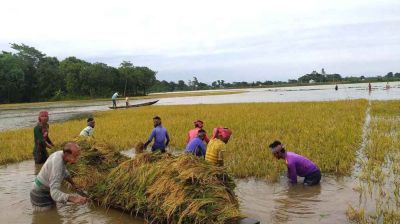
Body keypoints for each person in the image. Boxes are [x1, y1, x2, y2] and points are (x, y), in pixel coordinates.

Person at [30, 142, 87, 211]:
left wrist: (73, 184)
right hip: (40, 194)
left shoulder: (60, 154)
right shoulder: (57, 165)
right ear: (67, 154)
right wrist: (74, 199)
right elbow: (54, 193)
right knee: (46, 217)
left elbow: (65, 172)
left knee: (54, 213)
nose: (77, 160)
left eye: (78, 156)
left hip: (46, 189)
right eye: (75, 156)